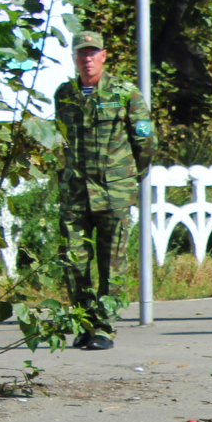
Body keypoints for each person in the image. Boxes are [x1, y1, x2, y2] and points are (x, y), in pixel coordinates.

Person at [54, 30, 155, 351]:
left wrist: (126, 179)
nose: (87, 58)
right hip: (75, 193)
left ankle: (105, 326)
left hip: (114, 193)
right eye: (81, 53)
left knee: (112, 262)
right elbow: (60, 140)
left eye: (93, 52)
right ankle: (84, 323)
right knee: (73, 260)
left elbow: (146, 143)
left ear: (104, 55)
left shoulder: (126, 94)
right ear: (74, 57)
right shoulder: (64, 94)